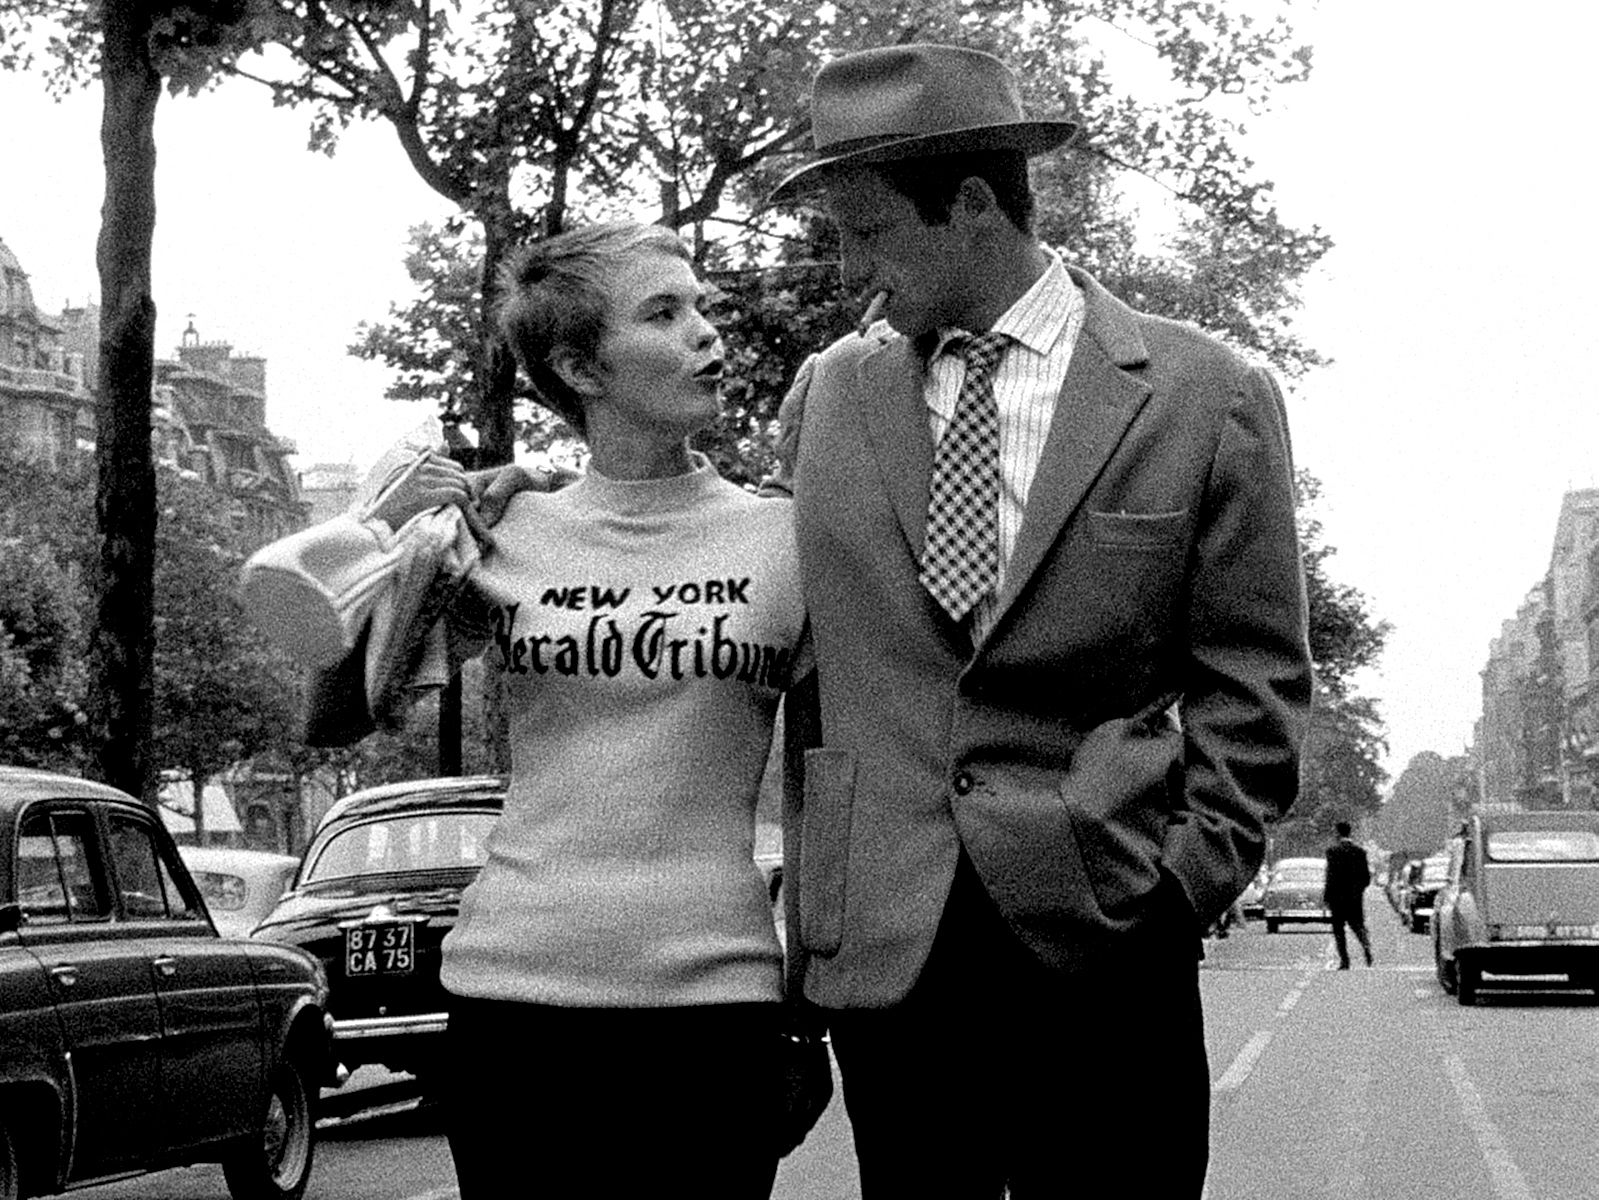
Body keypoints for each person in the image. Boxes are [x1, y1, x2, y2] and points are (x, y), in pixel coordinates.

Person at [763, 44, 1314, 1197]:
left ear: (970, 205)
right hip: (890, 947)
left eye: (869, 233)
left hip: (1107, 926)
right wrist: (535, 499)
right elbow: (768, 601)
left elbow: (1255, 676)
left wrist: (1181, 883)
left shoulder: (1205, 393)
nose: (852, 268)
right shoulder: (830, 392)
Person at [257, 222, 823, 1198]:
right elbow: (338, 716)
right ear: (577, 365)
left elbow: (831, 784)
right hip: (511, 1007)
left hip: (715, 1011)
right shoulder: (506, 526)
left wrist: (808, 1008)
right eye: (664, 313)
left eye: (701, 307)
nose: (705, 334)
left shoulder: (790, 538)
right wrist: (385, 533)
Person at [1325, 819, 1375, 969]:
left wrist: (1327, 895)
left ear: (1337, 833)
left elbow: (1331, 876)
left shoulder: (1332, 852)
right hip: (1354, 897)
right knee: (1358, 926)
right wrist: (1357, 890)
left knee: (1339, 930)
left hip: (1337, 897)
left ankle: (1345, 961)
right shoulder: (1360, 852)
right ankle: (1366, 947)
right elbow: (1366, 877)